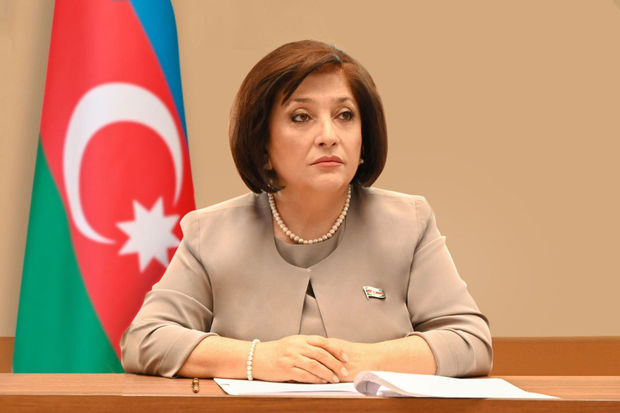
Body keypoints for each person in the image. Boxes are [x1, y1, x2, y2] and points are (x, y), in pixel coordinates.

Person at [121, 40, 492, 383]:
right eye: (301, 117)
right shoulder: (212, 232)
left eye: (345, 115)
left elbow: (469, 342)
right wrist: (259, 359)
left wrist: (361, 360)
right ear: (263, 145)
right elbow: (145, 339)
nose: (329, 135)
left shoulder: (408, 223)